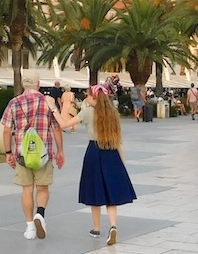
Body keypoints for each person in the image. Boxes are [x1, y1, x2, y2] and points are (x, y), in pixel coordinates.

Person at [47, 81, 135, 246]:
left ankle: (96, 228)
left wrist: (53, 108)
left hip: (94, 152)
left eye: (88, 95)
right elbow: (119, 141)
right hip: (112, 152)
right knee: (111, 194)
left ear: (94, 97)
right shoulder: (112, 113)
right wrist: (122, 162)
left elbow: (64, 124)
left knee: (95, 191)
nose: (86, 98)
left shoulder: (88, 112)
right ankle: (113, 225)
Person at [1, 72, 65, 241]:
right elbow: (57, 128)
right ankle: (40, 214)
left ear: (23, 84)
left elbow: (7, 129)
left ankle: (30, 227)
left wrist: (8, 153)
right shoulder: (47, 102)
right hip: (44, 152)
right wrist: (60, 151)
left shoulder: (14, 103)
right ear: (38, 84)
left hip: (23, 154)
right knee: (43, 188)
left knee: (27, 189)